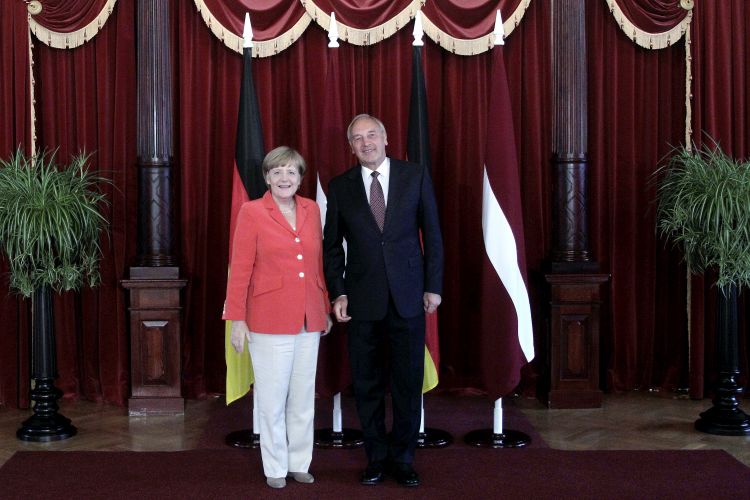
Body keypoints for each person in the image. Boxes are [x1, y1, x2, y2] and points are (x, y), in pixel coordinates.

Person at [323, 114, 444, 487]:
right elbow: (332, 247)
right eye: (358, 138)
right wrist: (338, 291)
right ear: (351, 147)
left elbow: (433, 235)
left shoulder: (414, 175)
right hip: (362, 301)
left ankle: (404, 458)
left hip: (409, 297)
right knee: (367, 383)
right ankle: (376, 457)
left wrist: (433, 286)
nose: (366, 143)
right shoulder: (340, 186)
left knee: (407, 382)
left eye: (371, 135)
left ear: (386, 138)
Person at [223, 146, 332, 489]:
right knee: (272, 400)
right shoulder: (252, 212)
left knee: (303, 397)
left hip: (308, 318)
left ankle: (300, 462)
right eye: (277, 171)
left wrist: (324, 307)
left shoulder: (312, 209)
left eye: (291, 171)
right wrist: (237, 318)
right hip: (267, 319)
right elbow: (240, 269)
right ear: (267, 177)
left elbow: (316, 264)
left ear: (300, 178)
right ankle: (274, 466)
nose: (285, 178)